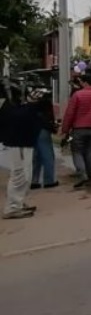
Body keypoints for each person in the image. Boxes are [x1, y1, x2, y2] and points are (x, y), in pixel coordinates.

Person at [0, 80, 42, 219]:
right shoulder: (6, 105)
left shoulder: (11, 105)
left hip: (22, 142)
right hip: (18, 144)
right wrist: (31, 104)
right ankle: (12, 207)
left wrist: (31, 104)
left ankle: (18, 202)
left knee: (24, 175)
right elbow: (18, 117)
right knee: (20, 175)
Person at [60, 75, 91, 189]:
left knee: (77, 151)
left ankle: (81, 173)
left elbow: (70, 113)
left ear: (85, 83)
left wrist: (65, 129)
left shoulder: (77, 95)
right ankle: (90, 176)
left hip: (79, 129)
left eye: (81, 82)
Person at [29, 88, 59, 189]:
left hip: (32, 130)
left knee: (36, 156)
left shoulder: (31, 104)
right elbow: (48, 119)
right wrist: (53, 128)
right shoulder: (46, 104)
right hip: (43, 131)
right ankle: (49, 181)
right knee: (48, 155)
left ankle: (34, 180)